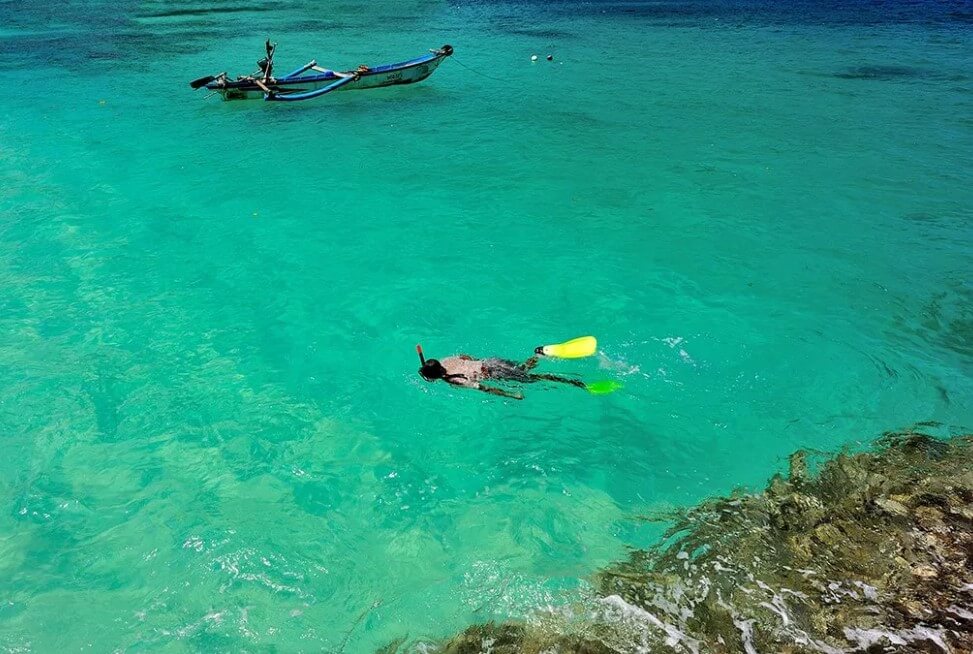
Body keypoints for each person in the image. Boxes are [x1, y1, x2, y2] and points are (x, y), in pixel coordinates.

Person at [416, 345, 586, 400]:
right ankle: (538, 355)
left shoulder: (453, 381)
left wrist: (510, 394)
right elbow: (465, 356)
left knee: (533, 378)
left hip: (494, 372)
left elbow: (484, 388)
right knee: (523, 369)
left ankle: (572, 382)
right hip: (490, 361)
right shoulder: (445, 360)